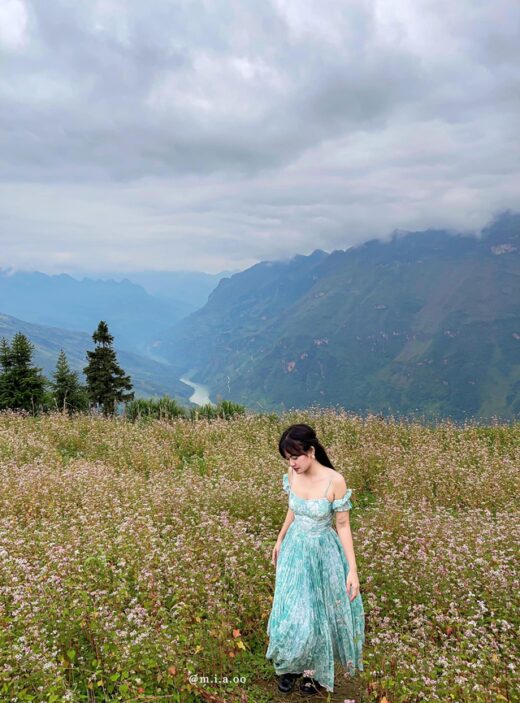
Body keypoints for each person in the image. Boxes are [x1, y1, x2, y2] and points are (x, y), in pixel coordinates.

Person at [265, 423, 365, 695]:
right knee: (293, 613)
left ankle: (311, 672)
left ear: (311, 450)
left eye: (295, 456)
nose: (291, 463)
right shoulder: (292, 472)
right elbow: (293, 509)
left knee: (317, 617)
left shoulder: (335, 481)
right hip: (295, 551)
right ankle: (290, 668)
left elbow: (343, 526)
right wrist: (280, 538)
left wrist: (352, 570)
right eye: (287, 458)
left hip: (322, 554)